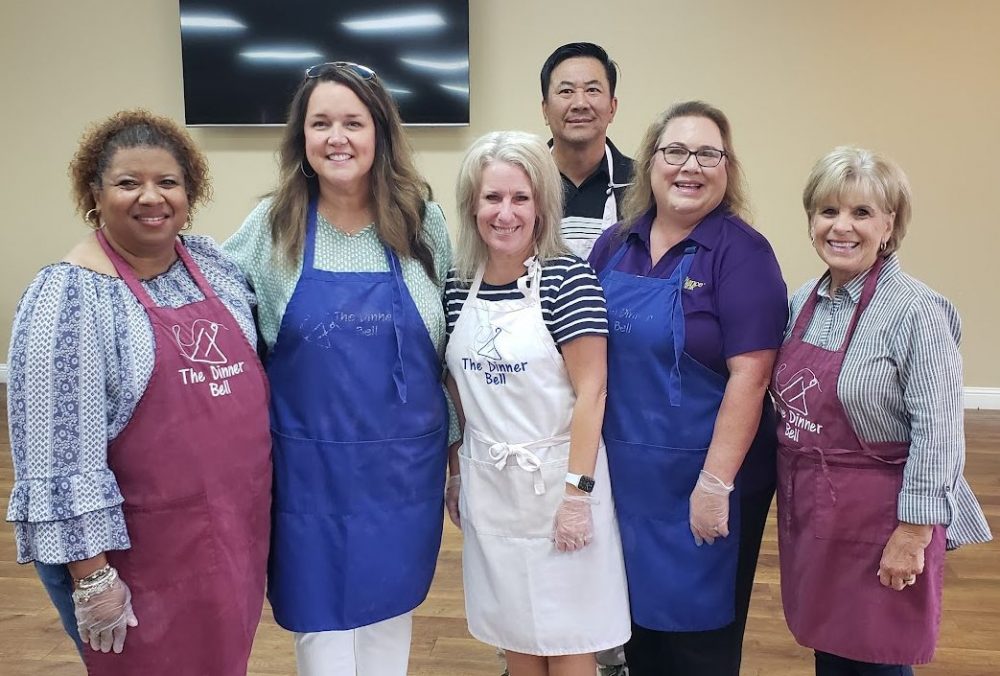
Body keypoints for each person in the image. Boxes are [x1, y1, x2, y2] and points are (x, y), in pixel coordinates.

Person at [4, 109, 272, 675]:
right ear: (94, 194)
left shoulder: (211, 265)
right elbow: (55, 459)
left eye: (167, 182)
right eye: (129, 183)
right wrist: (94, 578)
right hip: (139, 561)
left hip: (231, 539)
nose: (151, 197)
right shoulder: (68, 298)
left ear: (189, 192)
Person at [223, 61, 453, 676]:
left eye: (353, 122)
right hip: (309, 473)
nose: (337, 137)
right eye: (321, 122)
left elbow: (444, 349)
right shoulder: (272, 226)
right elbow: (208, 306)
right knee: (322, 638)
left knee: (387, 626)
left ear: (380, 133)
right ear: (302, 136)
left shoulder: (422, 222)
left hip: (404, 471)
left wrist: (458, 449)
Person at [772, 146, 992, 675]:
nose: (841, 227)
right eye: (828, 211)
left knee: (876, 660)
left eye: (861, 213)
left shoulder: (917, 311)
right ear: (810, 221)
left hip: (883, 521)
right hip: (816, 516)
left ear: (890, 226)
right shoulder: (802, 302)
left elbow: (939, 433)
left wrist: (914, 533)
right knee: (831, 649)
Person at [589, 100, 788, 675]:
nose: (689, 166)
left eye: (707, 154)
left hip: (706, 482)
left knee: (699, 643)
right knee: (637, 631)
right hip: (627, 481)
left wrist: (714, 483)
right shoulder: (615, 245)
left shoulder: (743, 254)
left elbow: (752, 377)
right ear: (651, 163)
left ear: (727, 169)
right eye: (675, 151)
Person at [443, 130, 631, 676]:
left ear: (542, 205)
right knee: (516, 636)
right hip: (493, 489)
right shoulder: (458, 285)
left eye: (520, 198)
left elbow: (592, 391)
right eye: (492, 198)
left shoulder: (568, 280)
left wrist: (577, 496)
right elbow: (458, 389)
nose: (505, 213)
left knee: (568, 639)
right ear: (472, 206)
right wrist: (456, 474)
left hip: (558, 487)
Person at [541, 42, 633, 259]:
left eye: (592, 90)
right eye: (566, 91)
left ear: (612, 107)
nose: (580, 103)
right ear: (545, 110)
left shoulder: (642, 185)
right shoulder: (522, 182)